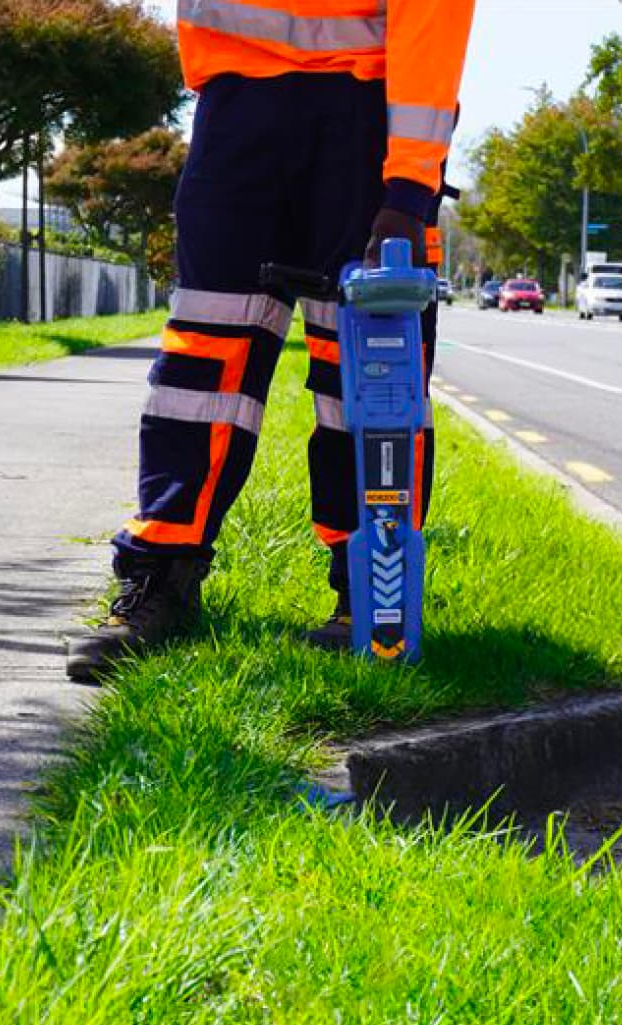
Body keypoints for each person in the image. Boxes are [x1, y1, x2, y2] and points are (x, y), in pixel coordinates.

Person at [67, 0, 477, 682]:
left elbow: (434, 16)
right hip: (234, 109)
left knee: (371, 374)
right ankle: (161, 579)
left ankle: (371, 598)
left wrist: (408, 189)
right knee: (201, 360)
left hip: (363, 115)